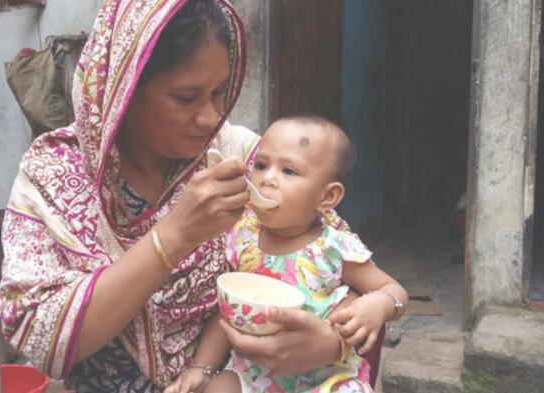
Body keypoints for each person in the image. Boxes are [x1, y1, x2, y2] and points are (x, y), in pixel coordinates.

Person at [0, 1, 383, 392]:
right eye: (187, 97)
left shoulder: (242, 159)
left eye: (220, 92)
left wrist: (332, 342)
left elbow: (331, 260)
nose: (211, 116)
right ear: (123, 88)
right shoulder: (55, 175)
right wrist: (175, 235)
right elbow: (43, 340)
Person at [165, 116, 408, 393]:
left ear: (326, 197)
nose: (267, 178)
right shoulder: (241, 237)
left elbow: (394, 290)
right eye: (260, 165)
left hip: (324, 378)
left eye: (289, 171)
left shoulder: (334, 249)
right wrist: (202, 368)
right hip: (254, 375)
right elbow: (226, 314)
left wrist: (377, 305)